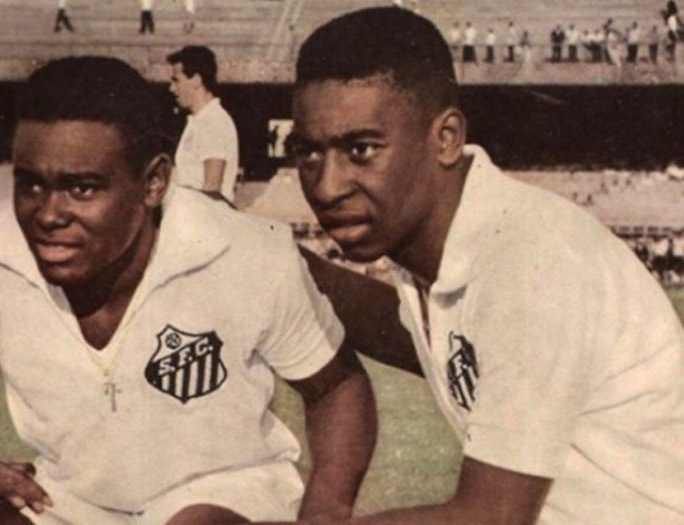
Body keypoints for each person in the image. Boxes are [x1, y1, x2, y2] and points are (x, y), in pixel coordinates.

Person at [0, 56, 376, 525]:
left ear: (153, 183)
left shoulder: (243, 252)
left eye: (81, 188)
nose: (49, 214)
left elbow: (335, 386)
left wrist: (324, 515)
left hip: (225, 493)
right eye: (31, 183)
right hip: (68, 501)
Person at [290, 7, 684, 524]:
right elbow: (415, 335)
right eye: (309, 154)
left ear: (446, 138)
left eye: (361, 150)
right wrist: (280, 263)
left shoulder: (532, 262)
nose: (327, 187)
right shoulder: (447, 246)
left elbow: (491, 517)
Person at [167, 46, 240, 203]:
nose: (171, 88)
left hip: (205, 216)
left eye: (176, 80)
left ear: (196, 80)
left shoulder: (214, 121)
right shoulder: (197, 122)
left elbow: (212, 190)